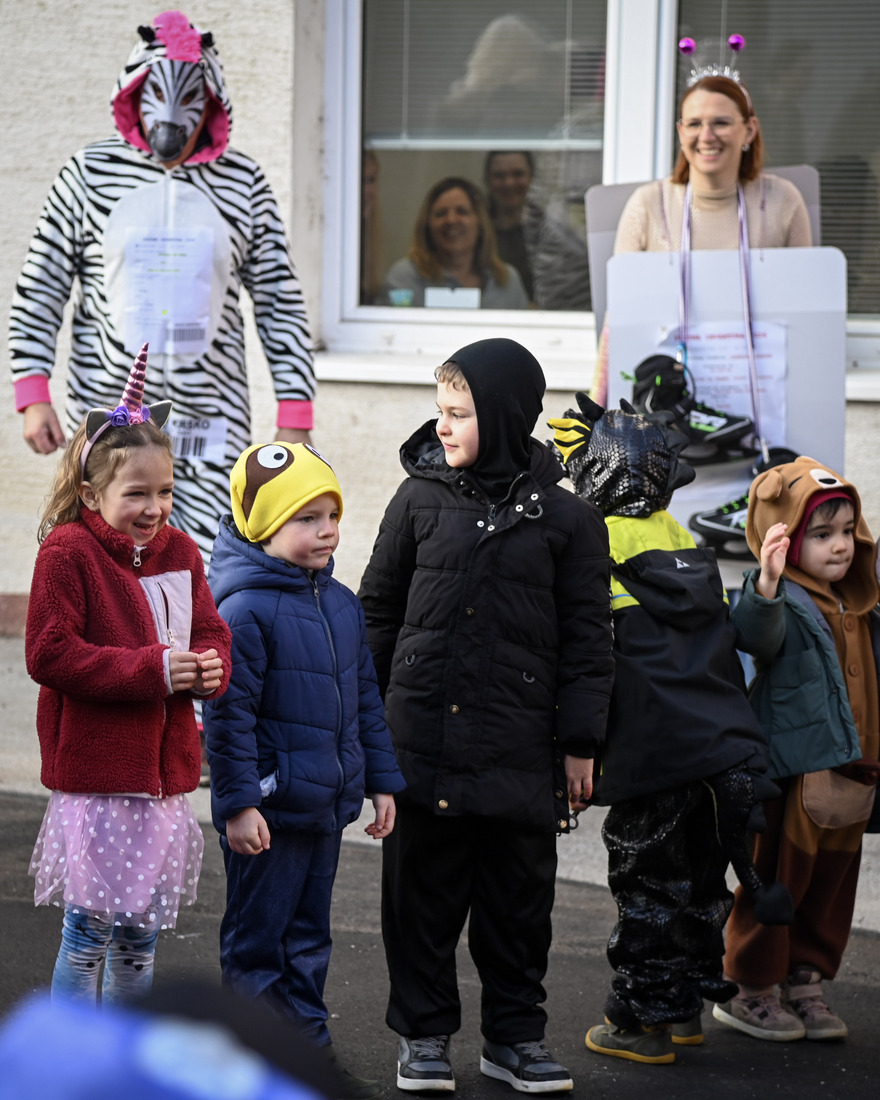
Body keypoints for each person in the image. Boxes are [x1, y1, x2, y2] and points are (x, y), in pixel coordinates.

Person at [357, 338, 614, 1093]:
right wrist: (366, 729)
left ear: (504, 417)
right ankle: (424, 1035)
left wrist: (580, 743)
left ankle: (515, 1037)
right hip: (422, 744)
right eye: (439, 409)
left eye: (460, 413)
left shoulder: (570, 521)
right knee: (420, 903)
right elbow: (377, 613)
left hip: (520, 751)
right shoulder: (416, 501)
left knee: (517, 908)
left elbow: (589, 641)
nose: (442, 425)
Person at [9, 10, 315, 560]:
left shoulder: (243, 182)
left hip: (211, 418)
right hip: (109, 408)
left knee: (206, 556)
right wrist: (32, 392)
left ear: (211, 100)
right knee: (104, 553)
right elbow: (43, 279)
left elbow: (279, 298)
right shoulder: (88, 174)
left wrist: (295, 411)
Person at [548, 395, 790, 1065]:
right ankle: (684, 1011)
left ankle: (640, 1023)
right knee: (703, 883)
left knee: (650, 886)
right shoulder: (681, 538)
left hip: (653, 752)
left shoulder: (590, 537)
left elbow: (586, 653)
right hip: (725, 748)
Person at [25, 344, 232, 1006]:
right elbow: (50, 653)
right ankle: (70, 1051)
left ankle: (124, 1047)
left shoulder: (180, 551)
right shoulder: (69, 552)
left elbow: (209, 630)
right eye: (136, 493)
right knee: (88, 934)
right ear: (91, 494)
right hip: (99, 779)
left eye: (165, 492)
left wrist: (211, 667)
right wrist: (153, 670)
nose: (154, 508)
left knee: (141, 939)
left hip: (162, 779)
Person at [203, 441, 406, 1098]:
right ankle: (251, 1064)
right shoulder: (243, 610)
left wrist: (380, 780)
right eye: (307, 518)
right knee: (258, 943)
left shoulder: (340, 603)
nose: (327, 531)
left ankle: (306, 1056)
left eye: (332, 515)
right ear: (264, 525)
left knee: (309, 939)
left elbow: (366, 699)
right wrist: (239, 805)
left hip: (324, 807)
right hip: (267, 813)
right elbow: (228, 721)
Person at [591, 53, 813, 549]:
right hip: (672, 410)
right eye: (693, 123)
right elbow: (618, 322)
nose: (706, 135)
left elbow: (805, 312)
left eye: (721, 122)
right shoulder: (649, 204)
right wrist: (602, 412)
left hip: (762, 404)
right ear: (679, 132)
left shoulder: (782, 201)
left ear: (749, 129)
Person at [714, 456, 880, 1041]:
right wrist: (767, 580)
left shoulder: (861, 603)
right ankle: (750, 987)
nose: (840, 546)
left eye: (848, 532)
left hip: (854, 772)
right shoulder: (787, 599)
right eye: (822, 534)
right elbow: (754, 635)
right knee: (778, 878)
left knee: (832, 882)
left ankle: (805, 980)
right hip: (794, 773)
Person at [377, 177, 528, 309]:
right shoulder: (404, 279)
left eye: (462, 211)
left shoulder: (507, 280)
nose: (451, 220)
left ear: (480, 223)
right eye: (441, 213)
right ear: (427, 225)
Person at [484, 151, 591, 310]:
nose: (509, 183)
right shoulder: (476, 232)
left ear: (532, 177)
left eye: (518, 174)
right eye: (499, 176)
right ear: (487, 180)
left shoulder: (552, 229)